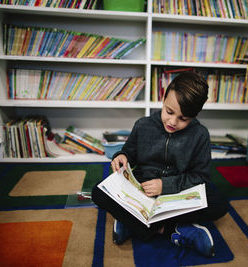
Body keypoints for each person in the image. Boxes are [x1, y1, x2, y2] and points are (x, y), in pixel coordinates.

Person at [91, 71, 229, 258]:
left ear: (194, 115)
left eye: (183, 118)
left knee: (219, 202)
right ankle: (173, 229)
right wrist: (121, 156)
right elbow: (128, 153)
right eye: (169, 112)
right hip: (143, 188)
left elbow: (200, 177)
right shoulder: (143, 124)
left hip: (177, 191)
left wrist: (166, 186)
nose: (172, 122)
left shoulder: (200, 135)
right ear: (163, 99)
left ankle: (134, 223)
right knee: (98, 192)